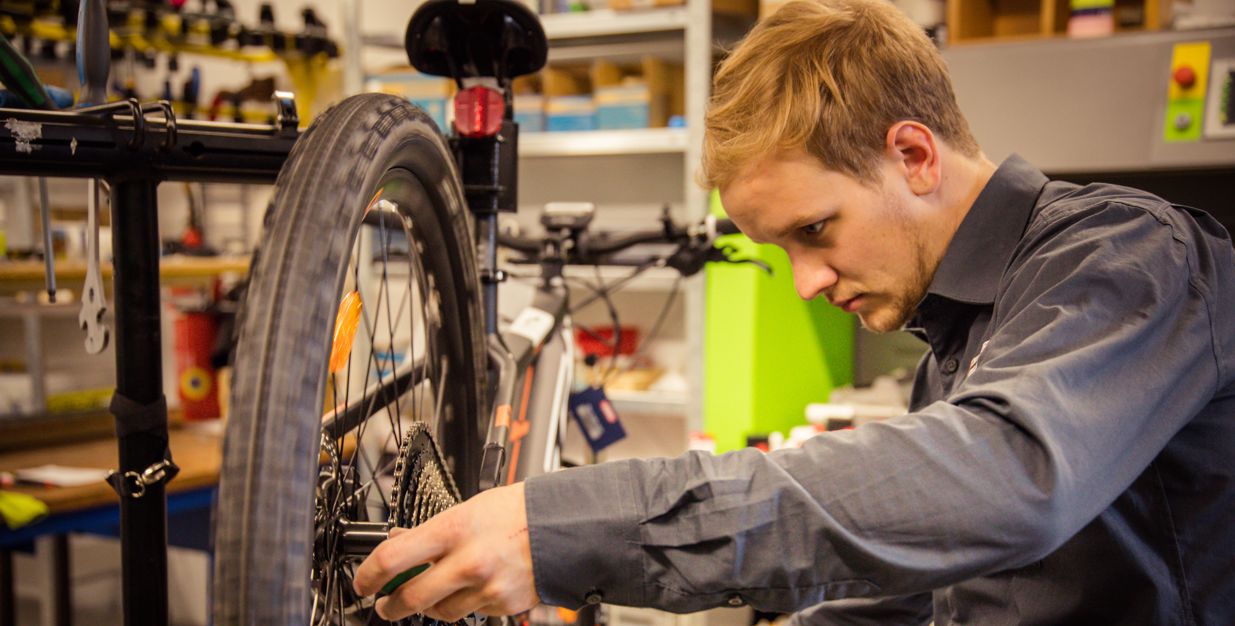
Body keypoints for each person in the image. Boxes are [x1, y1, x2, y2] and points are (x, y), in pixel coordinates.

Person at [353, 0, 1235, 623]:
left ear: (913, 154)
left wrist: (568, 526)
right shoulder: (958, 345)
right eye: (784, 249)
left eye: (816, 229)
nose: (807, 283)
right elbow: (906, 596)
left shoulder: (1128, 258)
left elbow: (1007, 483)